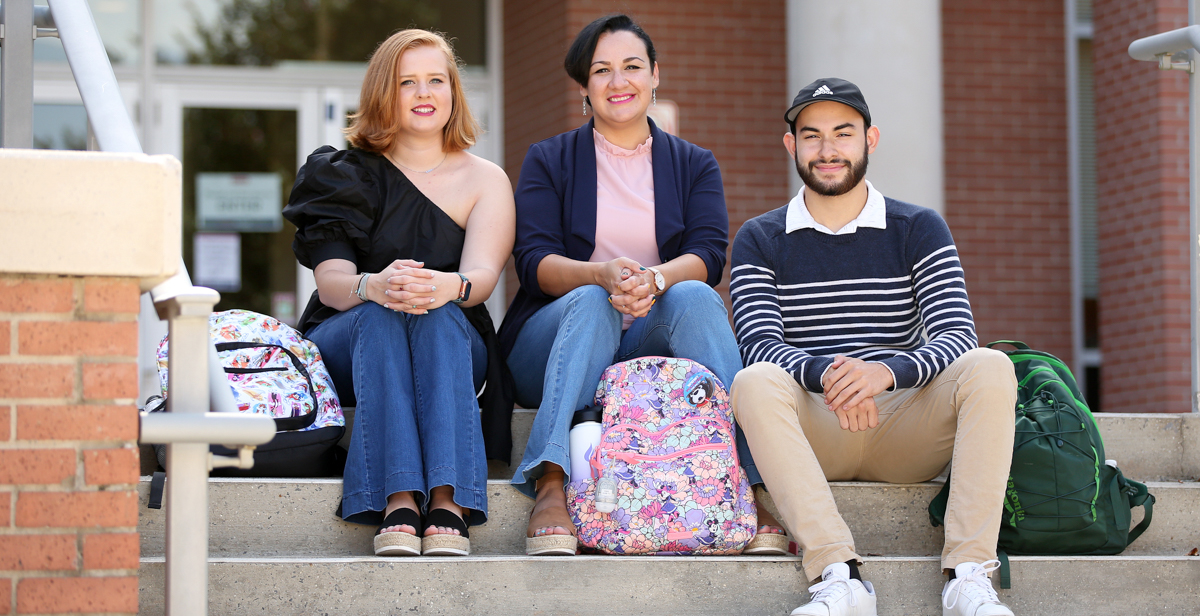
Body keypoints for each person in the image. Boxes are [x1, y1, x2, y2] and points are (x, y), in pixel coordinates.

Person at [498, 13, 785, 557]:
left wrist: (655, 279)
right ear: (584, 87)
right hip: (557, 342)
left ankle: (746, 481)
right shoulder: (550, 159)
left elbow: (707, 256)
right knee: (590, 299)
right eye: (601, 70)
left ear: (655, 75)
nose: (618, 81)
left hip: (645, 343)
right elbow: (532, 263)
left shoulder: (693, 163)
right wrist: (598, 275)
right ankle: (551, 481)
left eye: (631, 66)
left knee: (696, 296)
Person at [728, 78, 1018, 616]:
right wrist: (832, 377)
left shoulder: (918, 227)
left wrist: (883, 374)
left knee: (989, 366)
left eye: (843, 133)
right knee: (752, 381)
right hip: (816, 428)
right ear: (791, 145)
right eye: (811, 136)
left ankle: (968, 575)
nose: (828, 149)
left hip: (907, 427)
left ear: (870, 139)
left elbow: (957, 334)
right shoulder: (759, 238)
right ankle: (840, 576)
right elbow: (759, 345)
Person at [282, 29, 514, 557]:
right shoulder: (340, 174)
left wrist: (444, 286)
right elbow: (334, 285)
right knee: (384, 314)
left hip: (451, 329)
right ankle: (398, 498)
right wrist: (376, 285)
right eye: (407, 82)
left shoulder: (485, 179)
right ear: (384, 93)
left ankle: (449, 500)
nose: (424, 92)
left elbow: (481, 279)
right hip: (352, 332)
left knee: (432, 314)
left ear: (454, 92)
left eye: (437, 80)